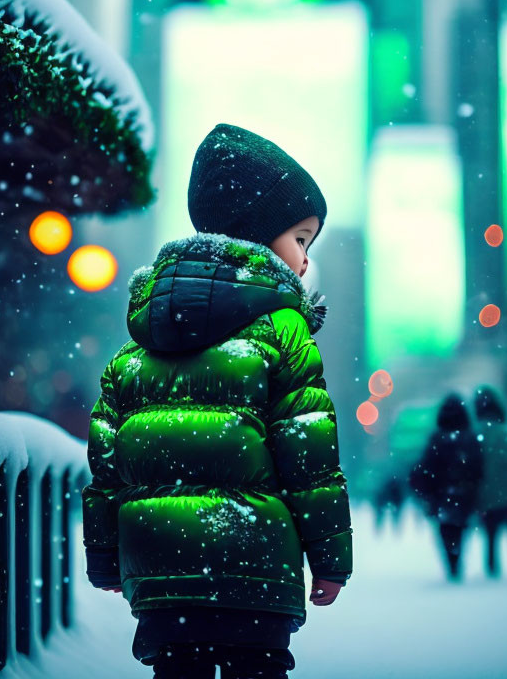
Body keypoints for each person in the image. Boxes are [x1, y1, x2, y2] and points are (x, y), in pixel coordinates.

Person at [82, 123, 353, 679]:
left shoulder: (139, 343)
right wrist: (330, 560)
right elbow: (309, 458)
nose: (304, 261)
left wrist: (105, 554)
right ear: (257, 231)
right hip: (253, 574)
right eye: (300, 238)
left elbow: (108, 464)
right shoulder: (282, 332)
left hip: (161, 583)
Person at [408, 393, 483, 580]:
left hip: (441, 495)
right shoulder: (470, 438)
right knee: (460, 528)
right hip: (465, 493)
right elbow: (478, 467)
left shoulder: (437, 438)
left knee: (445, 529)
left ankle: (451, 562)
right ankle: (457, 559)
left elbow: (426, 467)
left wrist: (427, 491)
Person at [473, 385, 507, 576]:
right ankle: (493, 562)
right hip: (504, 494)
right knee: (494, 529)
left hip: (483, 493)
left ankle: (491, 562)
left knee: (490, 530)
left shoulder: (475, 433)